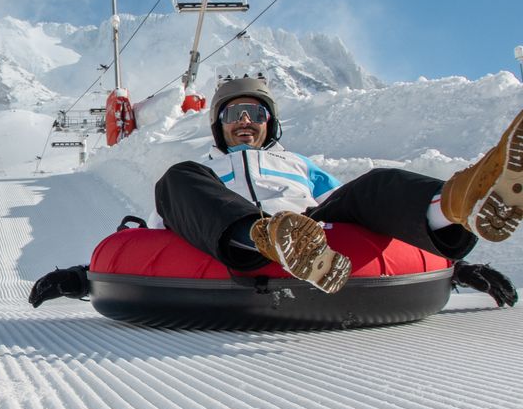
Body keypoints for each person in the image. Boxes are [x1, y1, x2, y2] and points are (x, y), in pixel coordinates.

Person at [29, 73, 520, 307]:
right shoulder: (200, 170)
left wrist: (452, 269)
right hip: (239, 235)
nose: (246, 122)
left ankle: (463, 205)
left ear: (270, 123)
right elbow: (152, 234)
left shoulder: (299, 165)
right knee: (174, 179)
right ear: (219, 127)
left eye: (256, 114)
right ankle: (263, 237)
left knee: (378, 183)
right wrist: (84, 276)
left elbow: (359, 211)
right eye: (233, 115)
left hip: (313, 228)